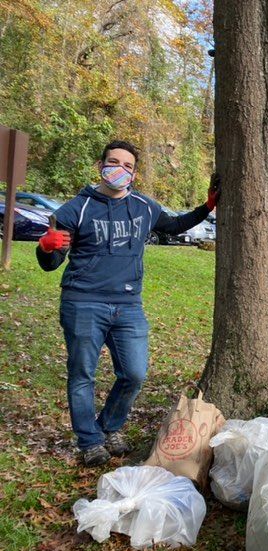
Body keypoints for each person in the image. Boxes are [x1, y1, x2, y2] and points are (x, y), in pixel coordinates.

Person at [35, 140, 219, 466]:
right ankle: (89, 441)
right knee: (82, 375)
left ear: (134, 174)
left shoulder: (144, 207)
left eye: (127, 166)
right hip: (83, 303)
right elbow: (50, 263)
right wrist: (46, 248)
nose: (118, 169)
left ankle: (109, 425)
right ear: (100, 166)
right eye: (112, 162)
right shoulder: (74, 210)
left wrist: (206, 207)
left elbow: (174, 225)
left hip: (128, 305)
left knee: (134, 373)